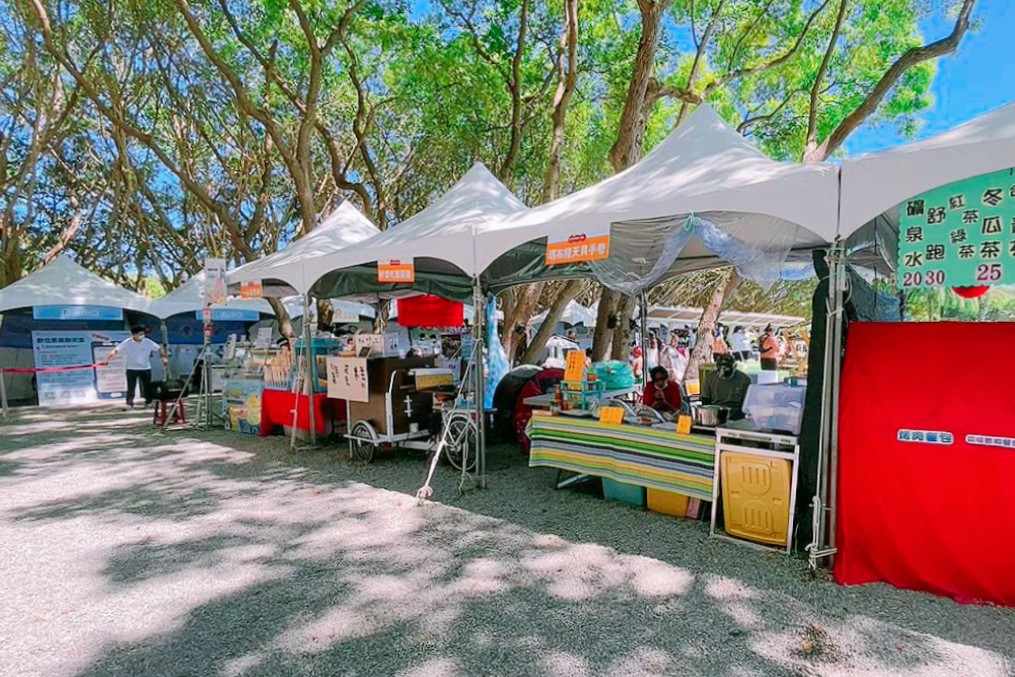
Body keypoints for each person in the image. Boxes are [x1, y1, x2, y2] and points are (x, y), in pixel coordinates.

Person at [100, 326, 168, 408]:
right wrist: (106, 359)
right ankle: (129, 403)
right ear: (134, 335)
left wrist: (163, 358)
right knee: (131, 387)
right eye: (140, 334)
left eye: (142, 334)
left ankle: (148, 402)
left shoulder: (148, 342)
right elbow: (116, 350)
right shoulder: (127, 342)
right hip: (131, 368)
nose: (142, 336)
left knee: (147, 386)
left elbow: (159, 349)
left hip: (145, 368)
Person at [701, 353, 752, 420]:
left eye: (728, 373)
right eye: (721, 373)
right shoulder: (709, 378)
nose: (724, 377)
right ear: (717, 368)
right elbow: (705, 402)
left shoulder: (745, 380)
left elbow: (747, 404)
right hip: (715, 412)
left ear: (735, 367)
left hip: (736, 412)